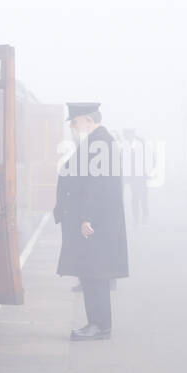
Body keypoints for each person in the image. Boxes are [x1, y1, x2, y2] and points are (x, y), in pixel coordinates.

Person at [54, 102, 129, 340]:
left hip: (94, 222)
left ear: (88, 119)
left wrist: (87, 217)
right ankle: (95, 323)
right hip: (93, 220)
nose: (74, 128)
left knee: (95, 273)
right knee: (90, 272)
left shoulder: (100, 143)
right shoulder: (97, 142)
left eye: (75, 123)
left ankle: (99, 325)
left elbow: (98, 186)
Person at [121, 128, 150, 224]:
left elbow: (149, 157)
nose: (126, 137)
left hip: (139, 174)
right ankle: (136, 219)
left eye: (127, 135)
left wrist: (147, 171)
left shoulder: (140, 143)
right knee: (136, 198)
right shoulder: (124, 144)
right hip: (129, 174)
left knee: (140, 197)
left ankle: (143, 216)